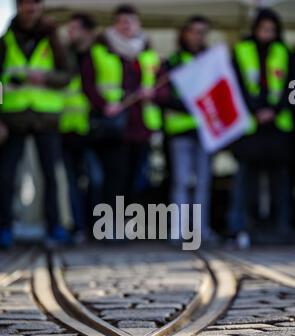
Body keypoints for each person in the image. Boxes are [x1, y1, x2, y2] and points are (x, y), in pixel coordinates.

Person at [0, 0, 71, 248]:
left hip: (46, 118)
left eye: (34, 5)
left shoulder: (53, 39)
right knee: (6, 176)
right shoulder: (6, 39)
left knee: (51, 176)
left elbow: (67, 75)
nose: (29, 10)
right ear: (18, 8)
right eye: (24, 5)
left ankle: (55, 227)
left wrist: (46, 78)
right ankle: (4, 228)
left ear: (41, 7)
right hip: (14, 118)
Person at [80, 4, 162, 215]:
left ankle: (128, 223)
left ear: (139, 24)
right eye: (122, 21)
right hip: (114, 128)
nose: (127, 25)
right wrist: (104, 105)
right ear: (114, 25)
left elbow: (162, 86)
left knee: (136, 178)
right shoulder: (99, 52)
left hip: (141, 127)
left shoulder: (149, 55)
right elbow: (87, 84)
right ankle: (109, 225)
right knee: (114, 177)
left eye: (131, 21)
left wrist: (152, 94)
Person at [228, 8, 294, 247]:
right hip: (250, 127)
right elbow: (235, 87)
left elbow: (291, 87)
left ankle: (281, 228)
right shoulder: (241, 51)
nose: (267, 33)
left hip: (278, 128)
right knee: (247, 181)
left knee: (280, 183)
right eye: (263, 28)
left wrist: (275, 110)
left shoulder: (285, 53)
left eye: (271, 30)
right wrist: (255, 110)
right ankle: (244, 227)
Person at [157, 16, 215, 245]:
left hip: (206, 130)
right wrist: (190, 106)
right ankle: (178, 230)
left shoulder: (211, 62)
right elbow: (163, 95)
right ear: (184, 34)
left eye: (202, 32)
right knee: (181, 181)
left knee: (203, 182)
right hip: (180, 130)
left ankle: (201, 229)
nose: (197, 36)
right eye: (193, 31)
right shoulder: (173, 62)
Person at [61, 13, 101, 242]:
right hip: (67, 128)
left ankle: (97, 226)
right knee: (72, 183)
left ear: (87, 31)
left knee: (96, 179)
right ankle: (79, 227)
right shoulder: (63, 53)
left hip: (94, 129)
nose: (70, 33)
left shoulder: (100, 55)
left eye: (74, 28)